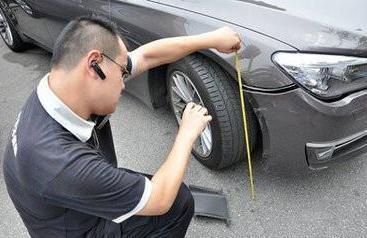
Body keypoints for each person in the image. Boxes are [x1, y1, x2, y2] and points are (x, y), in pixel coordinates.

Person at [3, 15, 241, 238]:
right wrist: (187, 133)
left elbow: (146, 56)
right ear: (94, 64)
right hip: (78, 229)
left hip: (69, 202)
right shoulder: (59, 161)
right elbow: (159, 199)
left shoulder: (62, 87)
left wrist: (211, 39)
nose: (123, 84)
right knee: (178, 202)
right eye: (121, 73)